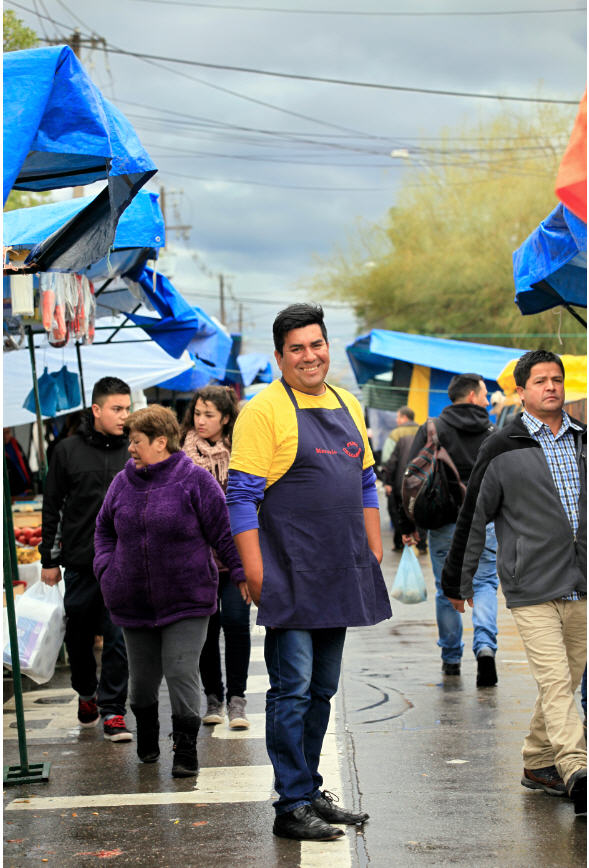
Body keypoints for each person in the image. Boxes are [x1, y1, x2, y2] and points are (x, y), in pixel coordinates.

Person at [226, 303, 392, 842]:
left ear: (327, 346)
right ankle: (291, 803)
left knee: (322, 688)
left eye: (316, 345)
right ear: (279, 356)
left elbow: (366, 481)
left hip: (340, 569)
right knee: (291, 688)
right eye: (296, 348)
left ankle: (310, 787)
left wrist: (371, 550)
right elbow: (242, 496)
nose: (309, 356)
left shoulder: (347, 403)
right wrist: (254, 570)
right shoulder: (263, 410)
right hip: (289, 571)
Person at [442, 350, 586, 816]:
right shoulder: (502, 446)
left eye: (557, 379)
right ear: (521, 391)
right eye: (541, 380)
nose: (552, 387)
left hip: (582, 583)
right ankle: (577, 769)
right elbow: (474, 515)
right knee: (558, 682)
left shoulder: (584, 441)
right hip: (531, 587)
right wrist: (457, 580)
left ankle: (537, 763)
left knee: (567, 679)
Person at [94, 405, 247, 777]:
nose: (130, 448)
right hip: (132, 600)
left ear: (161, 442)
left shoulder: (194, 481)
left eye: (136, 441)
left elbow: (222, 533)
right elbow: (104, 530)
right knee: (143, 683)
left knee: (180, 671)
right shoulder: (122, 482)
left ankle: (185, 748)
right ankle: (148, 733)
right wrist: (106, 569)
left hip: (187, 598)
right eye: (130, 441)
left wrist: (241, 573)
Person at [40, 377, 133, 741]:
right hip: (80, 562)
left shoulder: (134, 448)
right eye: (116, 409)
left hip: (123, 563)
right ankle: (86, 692)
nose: (124, 416)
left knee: (117, 638)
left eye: (127, 408)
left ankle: (113, 711)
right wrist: (48, 557)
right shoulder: (66, 451)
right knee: (77, 635)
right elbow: (52, 507)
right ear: (96, 410)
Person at [402, 373, 498, 686]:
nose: (487, 400)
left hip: (445, 521)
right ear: (471, 396)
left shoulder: (433, 427)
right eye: (484, 394)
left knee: (447, 590)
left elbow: (411, 478)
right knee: (484, 583)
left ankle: (451, 659)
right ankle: (485, 648)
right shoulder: (492, 431)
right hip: (486, 519)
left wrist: (411, 524)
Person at [180, 385, 252, 730]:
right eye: (197, 413)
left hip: (236, 555)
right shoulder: (181, 454)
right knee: (206, 628)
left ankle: (237, 698)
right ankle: (213, 696)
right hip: (196, 558)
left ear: (225, 418)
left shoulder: (240, 451)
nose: (201, 421)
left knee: (237, 623)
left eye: (209, 414)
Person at [380, 407, 426, 553]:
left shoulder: (396, 434)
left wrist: (387, 481)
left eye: (398, 417)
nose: (396, 420)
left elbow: (388, 460)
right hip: (422, 483)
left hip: (401, 483)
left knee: (399, 510)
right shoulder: (423, 432)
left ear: (405, 418)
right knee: (419, 511)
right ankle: (422, 544)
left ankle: (400, 542)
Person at [4, 427, 33, 496]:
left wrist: (30, 482)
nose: (5, 436)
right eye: (3, 433)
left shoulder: (15, 443)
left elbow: (24, 463)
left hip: (25, 484)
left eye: (7, 432)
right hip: (12, 490)